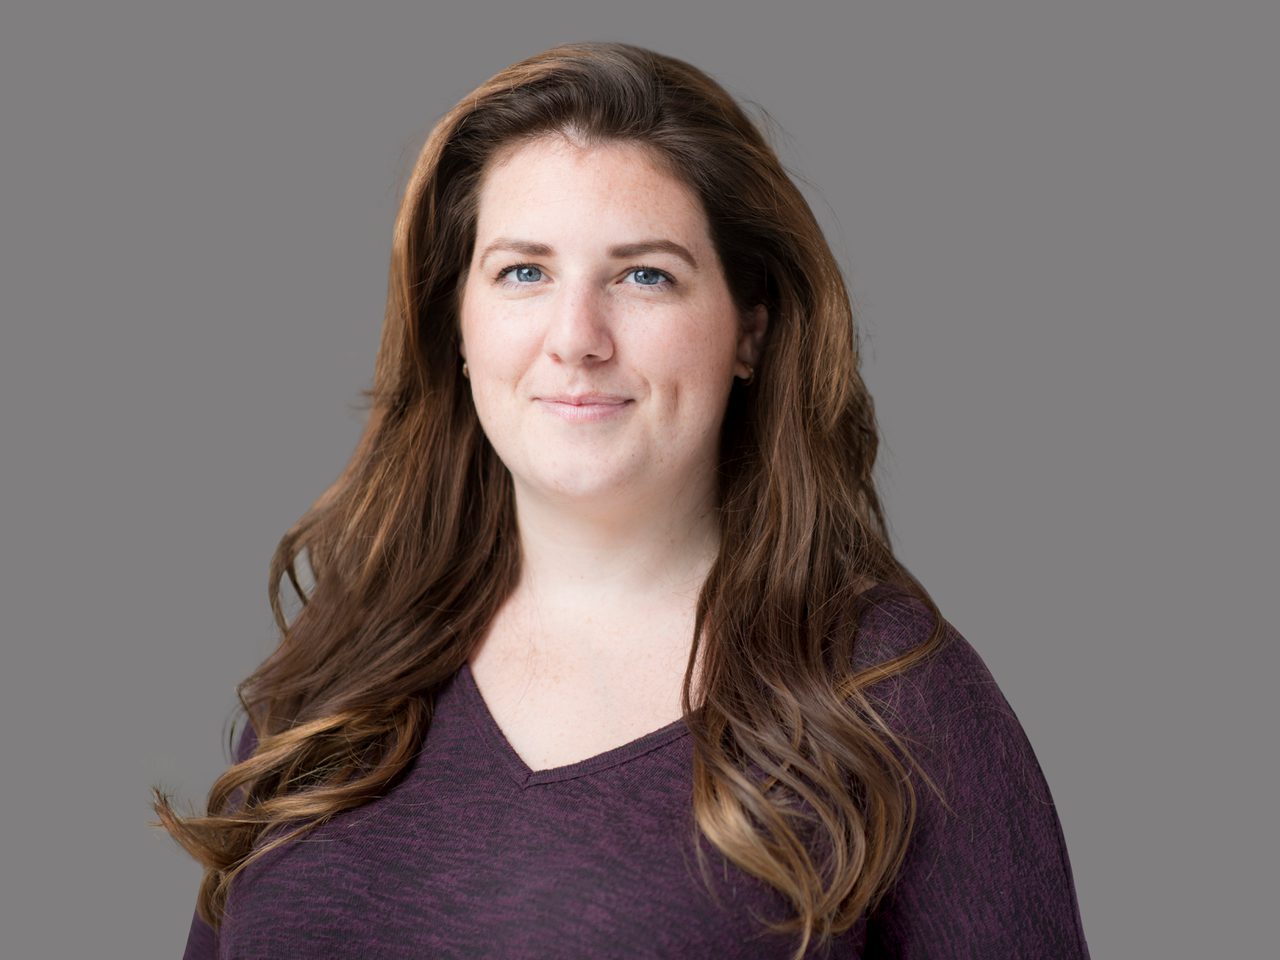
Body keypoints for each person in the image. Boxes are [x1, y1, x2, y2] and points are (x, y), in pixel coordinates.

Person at [153, 41, 1091, 959]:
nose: (577, 337)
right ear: (460, 326)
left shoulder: (889, 694)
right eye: (524, 271)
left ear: (748, 332)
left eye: (645, 275)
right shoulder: (337, 673)